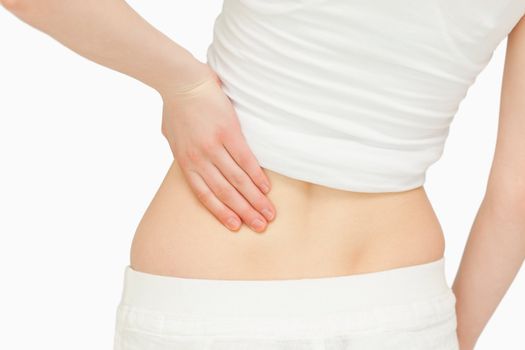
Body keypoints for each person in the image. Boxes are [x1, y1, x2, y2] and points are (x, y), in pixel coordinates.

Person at [2, 0, 525, 349]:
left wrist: (182, 84)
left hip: (211, 298)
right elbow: (515, 197)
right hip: (400, 302)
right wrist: (446, 337)